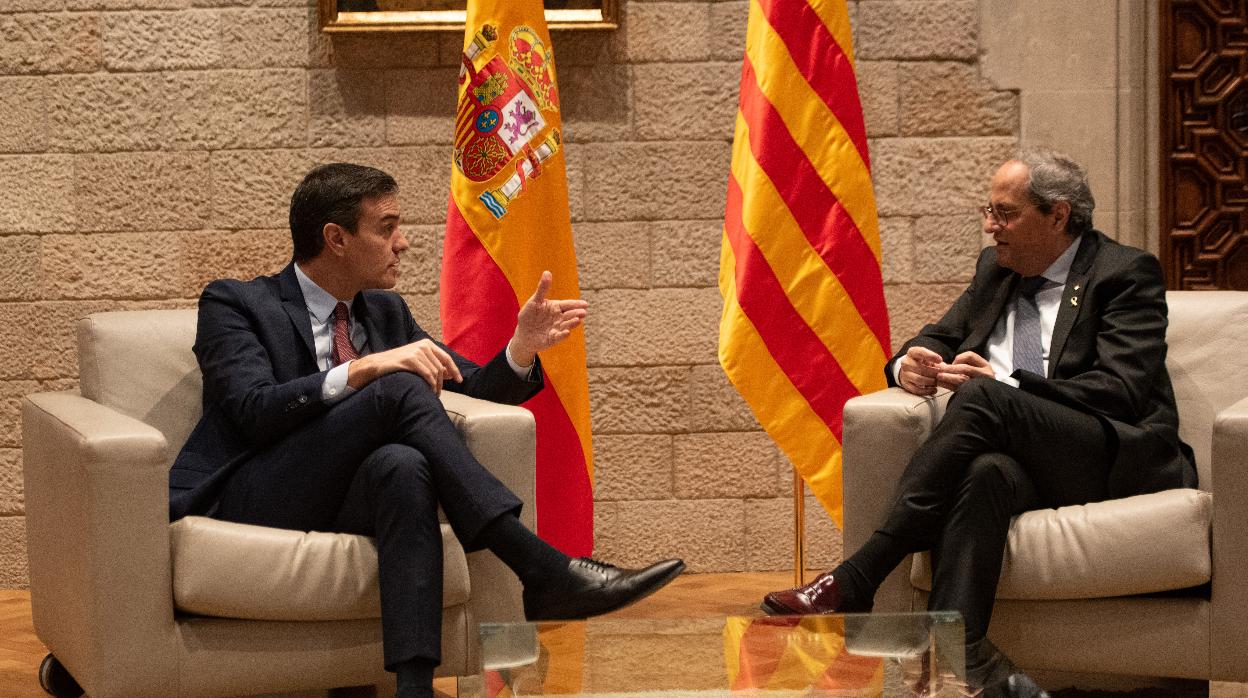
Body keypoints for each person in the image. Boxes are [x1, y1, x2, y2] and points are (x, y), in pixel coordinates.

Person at [168, 163, 684, 698]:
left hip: (344, 493)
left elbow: (473, 389)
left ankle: (413, 689)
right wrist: (364, 370)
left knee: (403, 467)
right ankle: (540, 566)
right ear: (336, 239)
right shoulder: (235, 303)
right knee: (396, 386)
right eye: (387, 227)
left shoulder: (386, 313)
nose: (404, 243)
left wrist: (521, 348)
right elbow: (251, 409)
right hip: (257, 490)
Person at [761, 150, 1196, 693]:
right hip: (1020, 459)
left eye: (1005, 214)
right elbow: (937, 335)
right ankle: (958, 663)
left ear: (1058, 216)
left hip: (1111, 454)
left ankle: (861, 573)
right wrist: (907, 365)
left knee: (984, 400)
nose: (991, 226)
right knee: (984, 471)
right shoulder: (998, 269)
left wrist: (1007, 385)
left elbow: (1122, 390)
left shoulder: (1124, 273)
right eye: (987, 211)